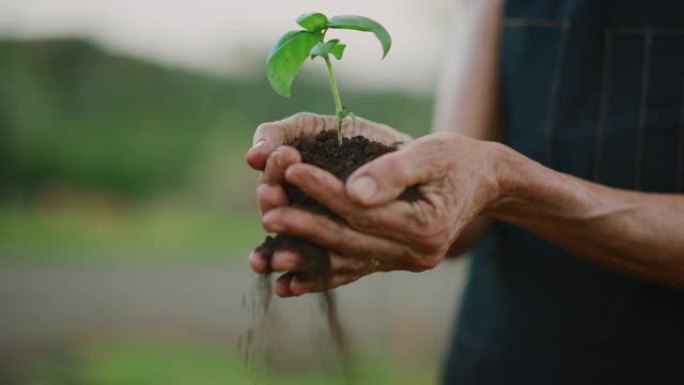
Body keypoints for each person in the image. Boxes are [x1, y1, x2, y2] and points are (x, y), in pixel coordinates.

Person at [245, 0, 684, 383]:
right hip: (504, 354)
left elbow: (489, 180)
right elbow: (468, 213)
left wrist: (505, 181)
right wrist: (411, 184)